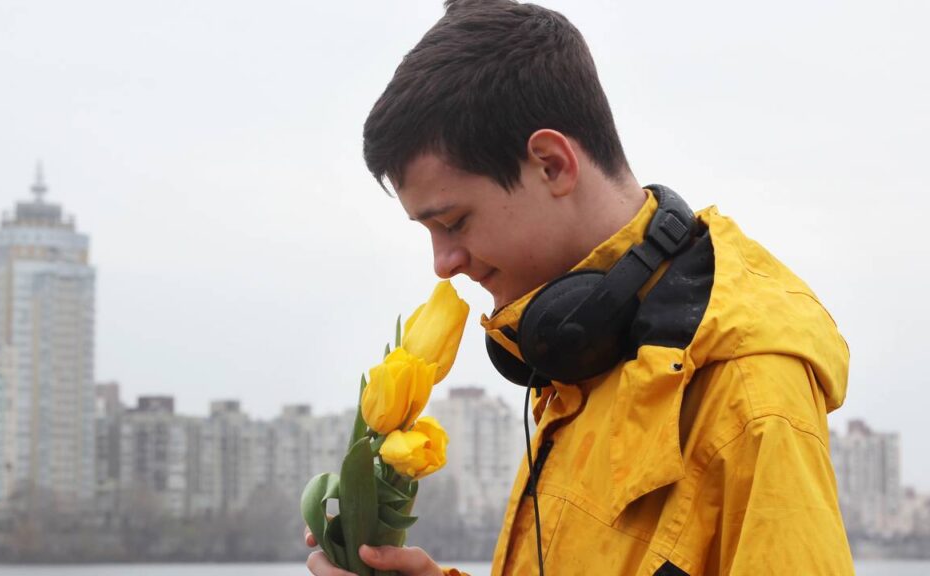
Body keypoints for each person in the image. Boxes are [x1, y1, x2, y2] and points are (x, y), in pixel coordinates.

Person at [306, 0, 853, 574]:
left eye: (454, 222)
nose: (442, 264)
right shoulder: (581, 348)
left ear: (551, 164)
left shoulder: (749, 389)